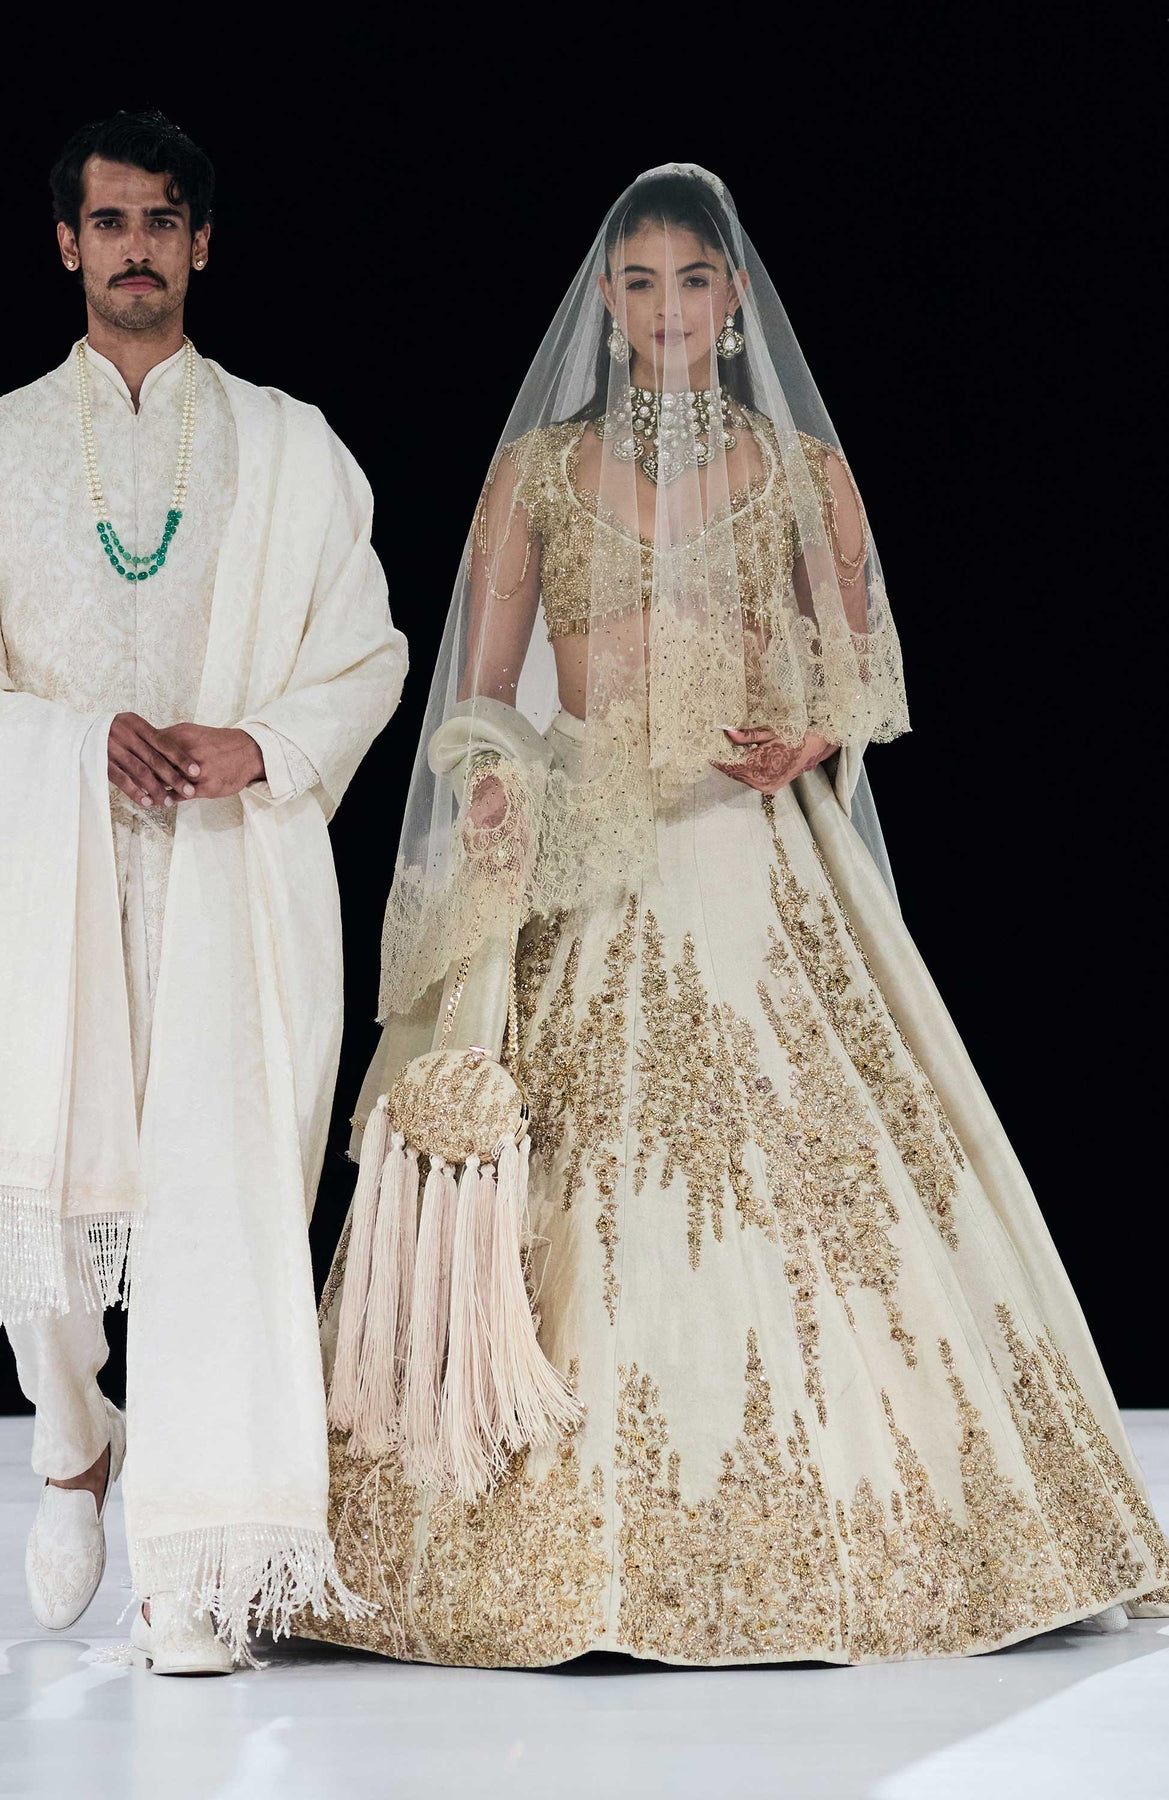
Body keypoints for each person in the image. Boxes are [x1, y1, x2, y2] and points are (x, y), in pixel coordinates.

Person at [300, 164, 1167, 1669]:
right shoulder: (535, 474)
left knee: (825, 1164)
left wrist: (815, 732)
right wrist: (496, 781)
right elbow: (477, 698)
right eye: (638, 282)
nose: (665, 308)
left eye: (690, 281)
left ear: (734, 296)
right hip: (591, 852)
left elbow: (866, 665)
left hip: (757, 857)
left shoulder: (801, 470)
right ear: (606, 300)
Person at [0, 110, 407, 1673]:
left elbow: (366, 652)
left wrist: (264, 743)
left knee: (215, 1212)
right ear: (67, 243)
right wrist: (66, 742)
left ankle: (194, 1565)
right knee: (46, 1211)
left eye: (161, 221)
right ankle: (71, 1437)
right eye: (108, 222)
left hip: (229, 878)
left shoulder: (287, 444)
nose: (134, 249)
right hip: (46, 876)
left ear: (199, 244)